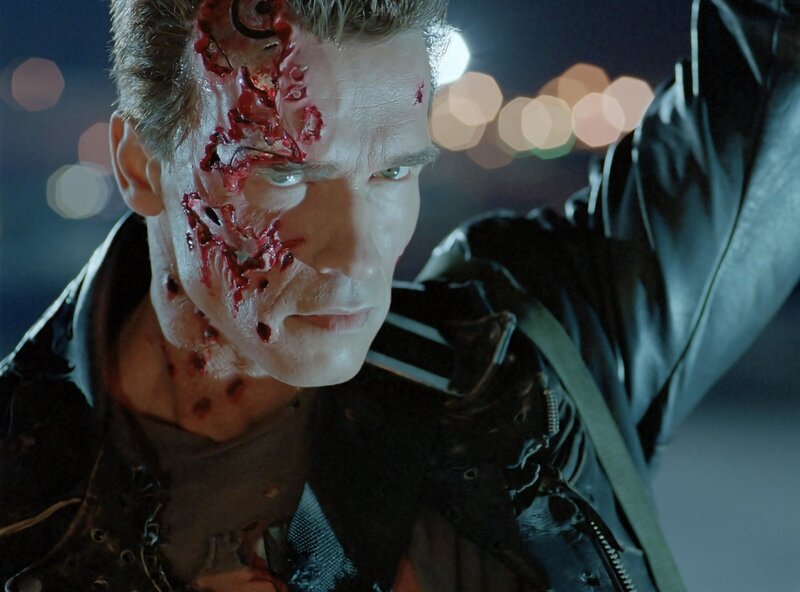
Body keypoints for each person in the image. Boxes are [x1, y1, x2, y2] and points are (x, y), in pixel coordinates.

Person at [0, 0, 798, 589]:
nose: (357, 252)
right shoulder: (19, 509)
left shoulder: (523, 370)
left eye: (393, 173)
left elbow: (777, 71)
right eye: (287, 175)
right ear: (141, 167)